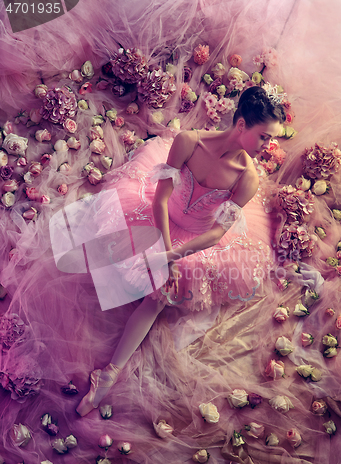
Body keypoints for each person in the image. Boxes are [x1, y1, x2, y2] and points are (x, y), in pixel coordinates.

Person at [75, 86, 286, 416]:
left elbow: (217, 232)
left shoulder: (248, 178)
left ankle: (108, 377)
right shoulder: (189, 142)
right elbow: (159, 199)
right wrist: (163, 247)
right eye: (264, 137)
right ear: (242, 125)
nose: (267, 146)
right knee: (104, 266)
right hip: (159, 218)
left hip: (196, 243)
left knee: (156, 299)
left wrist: (171, 258)